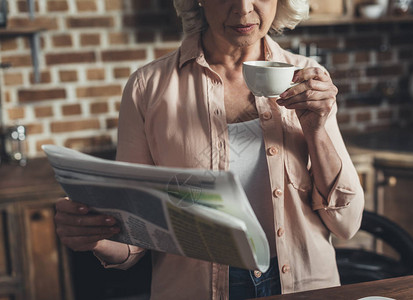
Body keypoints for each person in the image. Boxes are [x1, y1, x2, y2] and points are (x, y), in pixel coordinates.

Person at [54, 0, 365, 299]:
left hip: (306, 285)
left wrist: (316, 128)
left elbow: (346, 222)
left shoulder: (308, 78)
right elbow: (134, 240)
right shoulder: (147, 87)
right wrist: (94, 237)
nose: (244, 8)